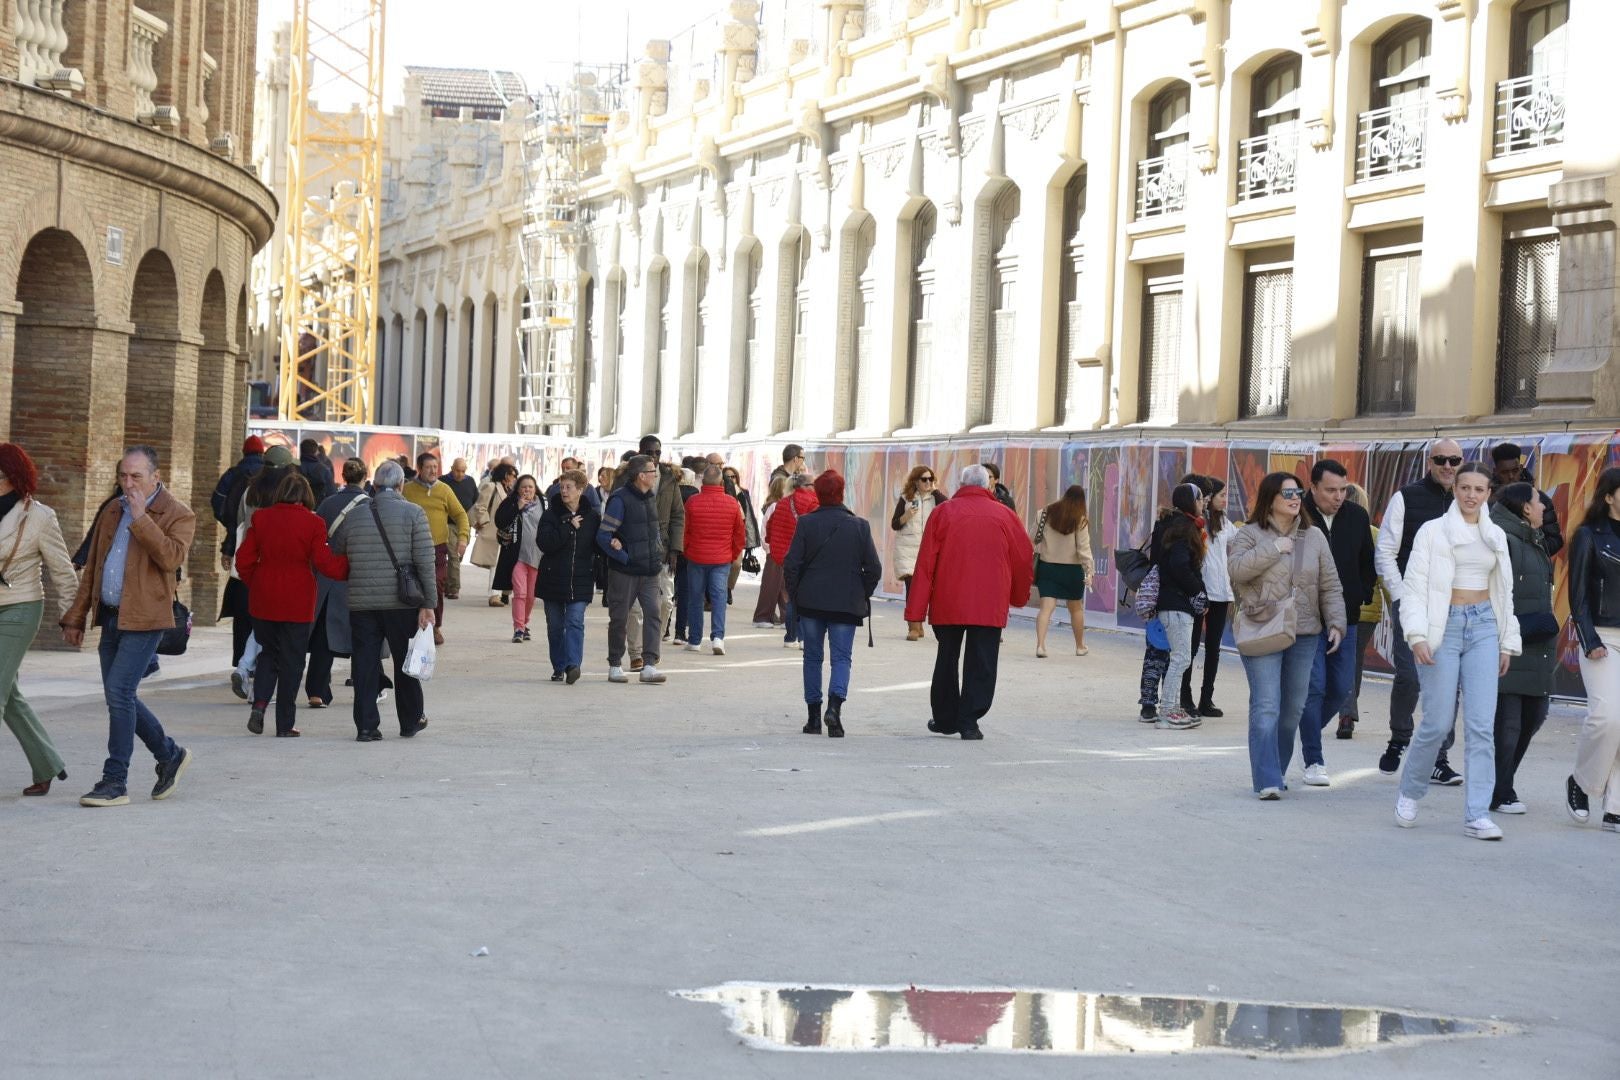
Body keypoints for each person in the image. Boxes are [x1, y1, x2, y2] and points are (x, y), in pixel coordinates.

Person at [62, 446, 195, 807]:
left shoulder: (177, 514)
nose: (128, 483)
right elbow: (93, 569)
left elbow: (169, 557)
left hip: (147, 618)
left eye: (136, 476)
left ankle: (114, 780)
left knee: (119, 693)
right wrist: (76, 616)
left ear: (155, 476)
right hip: (111, 615)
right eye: (123, 475)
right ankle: (169, 755)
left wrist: (141, 517)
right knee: (120, 696)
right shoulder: (111, 509)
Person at [1394, 462, 1520, 839]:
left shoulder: (1496, 535)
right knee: (1437, 722)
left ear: (1488, 494)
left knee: (1482, 726)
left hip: (1484, 626)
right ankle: (1410, 790)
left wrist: (1506, 641)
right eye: (1465, 487)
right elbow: (1414, 586)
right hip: (1441, 627)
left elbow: (1504, 594)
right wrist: (1416, 634)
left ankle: (1477, 814)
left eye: (1479, 489)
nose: (1471, 495)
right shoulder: (1432, 533)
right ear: (1455, 489)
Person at [1227, 471, 1345, 800]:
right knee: (1266, 705)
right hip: (1262, 626)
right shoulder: (1248, 534)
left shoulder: (1315, 537)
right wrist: (1275, 549)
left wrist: (1336, 622)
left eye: (1297, 493)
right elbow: (1236, 572)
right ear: (1271, 498)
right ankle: (1266, 779)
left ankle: (1276, 769)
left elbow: (1330, 584)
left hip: (1305, 631)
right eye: (1287, 493)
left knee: (1293, 707)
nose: (1295, 499)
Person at [904, 464, 1034, 741]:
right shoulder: (1005, 515)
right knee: (983, 661)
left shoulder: (943, 513)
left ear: (961, 484)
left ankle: (945, 718)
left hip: (948, 600)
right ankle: (970, 721)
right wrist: (1018, 596)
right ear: (988, 486)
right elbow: (1023, 558)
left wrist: (915, 609)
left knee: (947, 658)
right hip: (989, 602)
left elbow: (926, 564)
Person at [1373, 438, 1463, 781]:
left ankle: (1439, 758)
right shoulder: (1406, 497)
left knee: (1447, 682)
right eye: (1441, 459)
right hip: (1413, 603)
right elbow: (1386, 552)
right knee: (1410, 677)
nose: (1448, 466)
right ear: (1430, 461)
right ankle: (1399, 738)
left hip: (1455, 606)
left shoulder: (1467, 500)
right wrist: (1400, 595)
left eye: (1454, 460)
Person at [234, 470, 350, 737]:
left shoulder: (261, 518)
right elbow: (324, 563)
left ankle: (260, 704)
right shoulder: (313, 523)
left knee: (268, 654)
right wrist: (349, 565)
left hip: (264, 598)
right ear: (306, 496)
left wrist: (258, 582)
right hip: (298, 600)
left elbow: (244, 561)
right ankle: (285, 724)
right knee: (292, 662)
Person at [328, 460, 437, 741]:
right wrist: (428, 604)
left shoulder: (355, 514)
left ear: (374, 486)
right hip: (401, 602)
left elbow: (338, 546)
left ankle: (366, 726)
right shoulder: (414, 513)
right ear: (401, 485)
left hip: (362, 602)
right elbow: (426, 562)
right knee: (405, 661)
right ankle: (410, 720)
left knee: (364, 663)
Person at [0, 443, 78, 796]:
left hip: (20, 607)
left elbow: (63, 570)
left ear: (13, 478)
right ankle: (47, 764)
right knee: (9, 694)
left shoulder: (39, 516)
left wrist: (71, 617)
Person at [1295, 459, 1376, 786]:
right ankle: (1313, 758)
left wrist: (1362, 593)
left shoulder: (1357, 517)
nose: (1339, 496)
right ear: (1313, 488)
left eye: (1343, 489)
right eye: (1331, 490)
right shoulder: (1298, 515)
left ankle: (1306, 733)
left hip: (1347, 618)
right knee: (1313, 687)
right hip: (1307, 620)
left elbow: (1367, 562)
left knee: (1342, 687)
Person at [783, 470, 881, 737]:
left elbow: (791, 565)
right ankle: (834, 710)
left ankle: (813, 718)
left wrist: (797, 594)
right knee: (841, 659)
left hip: (812, 602)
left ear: (817, 493)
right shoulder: (859, 526)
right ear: (842, 492)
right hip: (846, 604)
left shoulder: (805, 523)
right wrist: (861, 592)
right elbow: (874, 568)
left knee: (812, 657)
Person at [1490, 482, 1556, 816]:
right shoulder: (1503, 540)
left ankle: (1499, 783)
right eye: (1538, 501)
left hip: (1536, 645)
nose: (1544, 506)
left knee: (1535, 715)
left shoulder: (1535, 541)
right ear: (1525, 509)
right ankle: (1501, 791)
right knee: (1508, 723)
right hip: (1509, 644)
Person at [1565, 466, 1620, 833]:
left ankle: (1615, 806)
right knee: (1606, 717)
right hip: (1603, 635)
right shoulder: (1589, 535)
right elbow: (1578, 594)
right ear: (1609, 496)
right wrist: (1589, 639)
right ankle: (1581, 783)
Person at [599, 455, 668, 684]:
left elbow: (653, 531)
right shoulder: (620, 499)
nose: (655, 476)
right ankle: (615, 664)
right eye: (652, 472)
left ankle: (649, 664)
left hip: (650, 570)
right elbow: (603, 536)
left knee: (653, 615)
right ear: (641, 476)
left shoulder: (650, 497)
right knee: (619, 617)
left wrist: (658, 552)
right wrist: (623, 557)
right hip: (625, 572)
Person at [308, 458, 370, 709]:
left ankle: (317, 691)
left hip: (327, 578)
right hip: (357, 577)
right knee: (362, 636)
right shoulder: (370, 506)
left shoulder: (327, 503)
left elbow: (317, 538)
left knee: (324, 637)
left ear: (343, 476)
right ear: (365, 477)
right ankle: (365, 685)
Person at [1150, 483, 1208, 730]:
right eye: (1200, 498)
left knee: (1179, 657)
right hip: (1176, 602)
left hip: (1168, 600)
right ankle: (1168, 711)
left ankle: (1172, 708)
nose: (1203, 502)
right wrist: (1198, 591)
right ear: (1190, 501)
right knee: (1181, 657)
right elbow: (1180, 566)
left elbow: (1158, 561)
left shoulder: (1166, 524)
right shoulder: (1184, 528)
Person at [624, 436, 685, 673]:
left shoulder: (669, 479)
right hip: (635, 549)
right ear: (640, 452)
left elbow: (679, 516)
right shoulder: (626, 478)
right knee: (636, 607)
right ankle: (637, 653)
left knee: (665, 602)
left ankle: (653, 645)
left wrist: (675, 550)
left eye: (657, 452)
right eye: (649, 452)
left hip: (663, 549)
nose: (654, 456)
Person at [538, 468, 600, 684]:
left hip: (581, 578)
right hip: (552, 578)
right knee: (555, 626)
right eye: (561, 487)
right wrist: (568, 528)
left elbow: (598, 546)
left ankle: (573, 665)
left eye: (568, 487)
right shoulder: (551, 514)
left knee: (574, 621)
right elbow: (545, 543)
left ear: (580, 490)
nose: (564, 491)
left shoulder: (592, 517)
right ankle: (559, 665)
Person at [402, 452, 469, 644]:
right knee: (412, 587)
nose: (432, 471)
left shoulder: (444, 490)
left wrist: (462, 538)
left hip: (438, 548)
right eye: (428, 467)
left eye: (435, 467)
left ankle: (435, 626)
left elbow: (460, 515)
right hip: (413, 548)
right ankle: (414, 625)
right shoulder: (407, 490)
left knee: (437, 585)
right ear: (419, 469)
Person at [680, 465, 746, 654]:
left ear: (703, 482)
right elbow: (739, 535)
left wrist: (687, 550)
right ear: (721, 481)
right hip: (721, 558)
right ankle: (718, 638)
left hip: (696, 557)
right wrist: (732, 554)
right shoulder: (732, 503)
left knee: (695, 598)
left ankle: (694, 640)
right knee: (719, 598)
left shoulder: (692, 502)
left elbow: (685, 530)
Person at [1335, 482, 1384, 740]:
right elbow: (1383, 575)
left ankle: (1344, 710)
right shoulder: (1375, 534)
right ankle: (1347, 713)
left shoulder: (1336, 531)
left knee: (1342, 660)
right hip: (1368, 608)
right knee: (1354, 661)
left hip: (1341, 606)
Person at [1186, 477, 1233, 717]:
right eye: (1221, 495)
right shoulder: (1195, 523)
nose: (1224, 499)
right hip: (1199, 591)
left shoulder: (1224, 521)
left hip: (1222, 592)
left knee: (1213, 649)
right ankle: (1185, 698)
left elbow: (1241, 539)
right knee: (1191, 647)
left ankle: (1207, 699)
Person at [1031, 485, 1094, 658]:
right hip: (1072, 571)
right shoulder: (1080, 520)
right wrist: (1089, 571)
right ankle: (1080, 646)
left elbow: (1032, 537)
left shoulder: (1044, 513)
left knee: (1046, 608)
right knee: (1076, 608)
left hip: (1047, 567)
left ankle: (1040, 646)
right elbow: (1084, 549)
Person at [766, 474, 821, 648]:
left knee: (791, 597)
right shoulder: (814, 503)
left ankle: (790, 637)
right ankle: (803, 637)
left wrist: (774, 545)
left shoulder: (783, 503)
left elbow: (770, 528)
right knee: (807, 598)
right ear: (808, 486)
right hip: (807, 557)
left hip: (786, 557)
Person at [892, 465, 946, 642]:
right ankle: (914, 626)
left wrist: (936, 492)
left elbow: (949, 507)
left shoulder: (936, 499)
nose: (928, 482)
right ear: (915, 481)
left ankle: (923, 624)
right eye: (924, 479)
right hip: (908, 548)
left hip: (929, 548)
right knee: (912, 587)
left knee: (930, 588)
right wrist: (907, 515)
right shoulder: (905, 498)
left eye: (931, 479)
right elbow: (895, 524)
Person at [494, 475, 545, 645]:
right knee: (520, 593)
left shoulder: (544, 504)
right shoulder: (511, 503)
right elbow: (500, 521)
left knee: (531, 596)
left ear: (535, 488)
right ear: (518, 489)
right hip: (517, 557)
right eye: (524, 487)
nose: (527, 490)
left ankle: (525, 622)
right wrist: (517, 507)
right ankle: (518, 628)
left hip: (538, 557)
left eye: (530, 487)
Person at [1490, 442, 1563, 555]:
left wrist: (1527, 553)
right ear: (1496, 472)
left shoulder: (1540, 500)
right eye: (1504, 472)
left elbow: (1555, 540)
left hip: (1533, 568)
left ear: (1520, 468)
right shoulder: (1487, 500)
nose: (1511, 476)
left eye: (1515, 471)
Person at [471, 463, 517, 606]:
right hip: (494, 532)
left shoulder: (511, 490)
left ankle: (504, 593)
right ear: (505, 475)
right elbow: (480, 507)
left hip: (509, 533)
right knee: (495, 564)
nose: (515, 478)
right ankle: (494, 595)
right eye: (512, 475)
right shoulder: (491, 487)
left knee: (507, 563)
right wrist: (485, 524)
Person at [752, 474, 793, 629]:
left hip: (778, 551)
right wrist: (769, 548)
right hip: (776, 552)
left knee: (781, 585)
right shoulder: (776, 506)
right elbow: (766, 530)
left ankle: (783, 616)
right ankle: (764, 616)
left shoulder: (778, 506)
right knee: (772, 585)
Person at [443, 458, 481, 600]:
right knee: (454, 555)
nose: (460, 474)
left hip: (465, 524)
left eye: (463, 471)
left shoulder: (470, 481)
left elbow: (476, 502)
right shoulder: (443, 481)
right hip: (448, 524)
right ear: (452, 468)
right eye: (457, 471)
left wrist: (477, 522)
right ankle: (454, 588)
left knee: (459, 557)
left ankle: (447, 583)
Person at [722, 463, 760, 602]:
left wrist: (751, 539)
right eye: (728, 477)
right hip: (725, 535)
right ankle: (722, 590)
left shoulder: (743, 492)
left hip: (739, 534)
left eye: (733, 476)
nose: (731, 479)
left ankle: (729, 588)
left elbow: (748, 515)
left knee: (736, 565)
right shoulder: (722, 492)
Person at [210, 435, 266, 525]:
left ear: (244, 453)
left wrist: (227, 521)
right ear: (261, 454)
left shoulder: (232, 473)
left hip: (234, 529)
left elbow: (217, 499)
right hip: (260, 529)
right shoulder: (267, 474)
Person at [298, 438, 336, 504]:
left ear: (301, 450)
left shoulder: (293, 468)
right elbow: (331, 494)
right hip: (318, 509)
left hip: (298, 508)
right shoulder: (324, 470)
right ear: (316, 451)